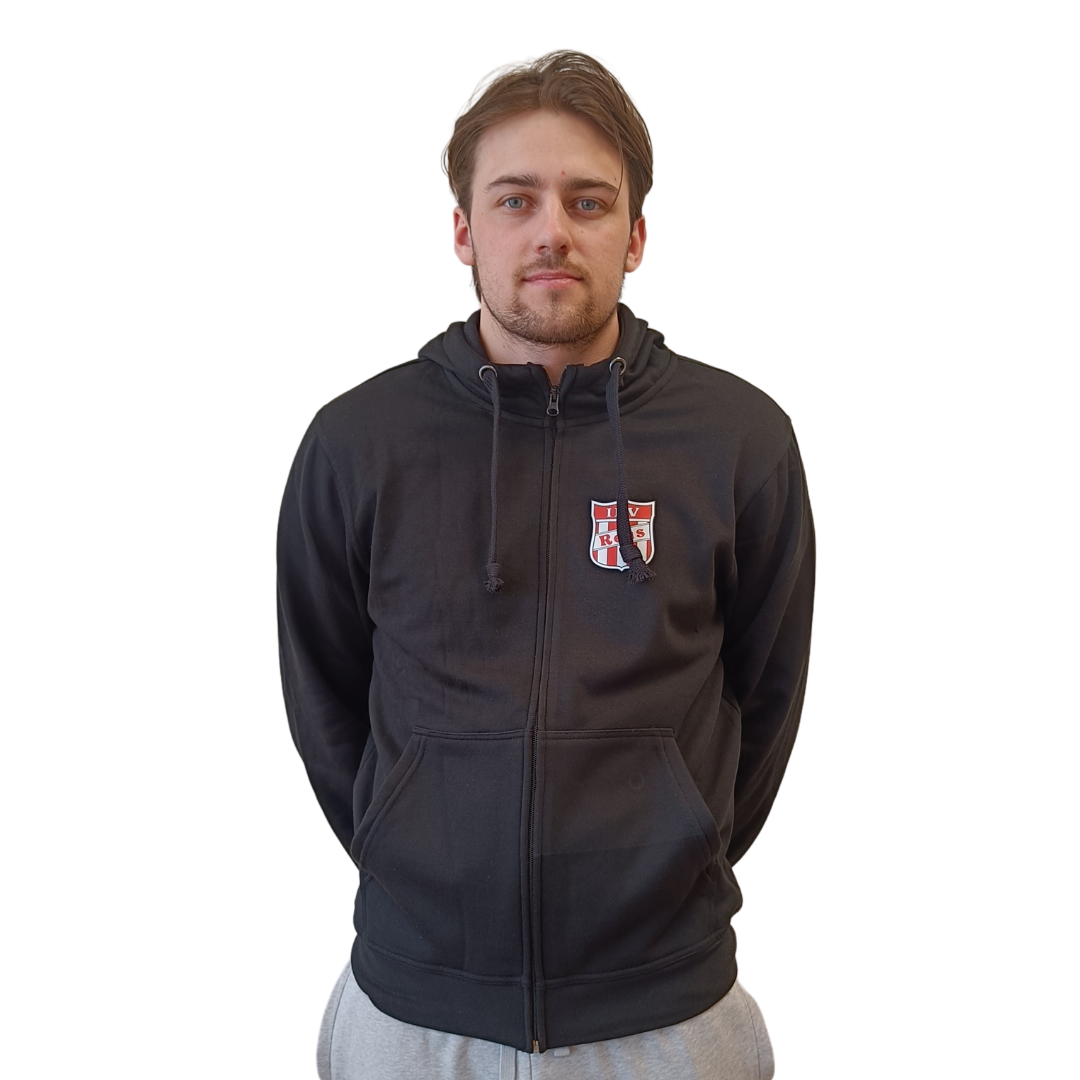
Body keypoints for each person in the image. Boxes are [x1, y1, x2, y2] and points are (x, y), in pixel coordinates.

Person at [277, 50, 814, 1080]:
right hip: (414, 1015)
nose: (552, 230)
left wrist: (671, 848)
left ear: (636, 234)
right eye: (516, 199)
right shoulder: (358, 442)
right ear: (464, 231)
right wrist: (414, 848)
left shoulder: (739, 440)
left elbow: (766, 693)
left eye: (589, 201)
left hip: (667, 1017)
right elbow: (325, 696)